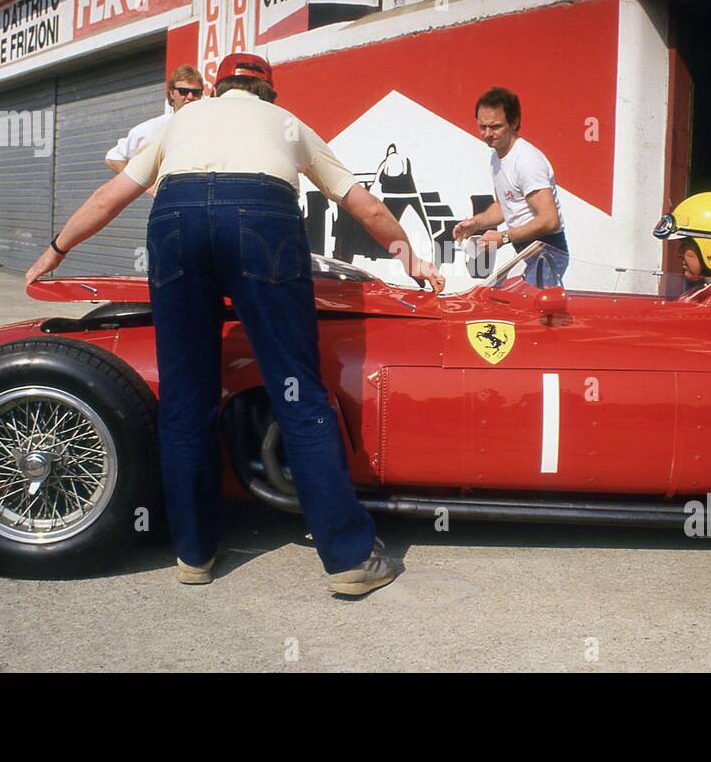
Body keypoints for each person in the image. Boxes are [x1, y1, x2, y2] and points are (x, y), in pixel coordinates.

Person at [26, 52, 445, 594]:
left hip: (176, 219)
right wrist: (407, 253)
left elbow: (113, 196)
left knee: (184, 395)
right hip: (261, 215)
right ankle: (348, 559)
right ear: (268, 92)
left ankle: (194, 554)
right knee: (298, 391)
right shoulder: (287, 123)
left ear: (217, 89)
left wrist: (57, 250)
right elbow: (358, 200)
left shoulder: (182, 121)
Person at [452, 87, 569, 287]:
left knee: (528, 315)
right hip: (529, 252)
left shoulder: (526, 161)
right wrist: (476, 223)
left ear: (514, 123)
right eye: (482, 126)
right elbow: (504, 206)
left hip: (547, 253)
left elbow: (550, 221)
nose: (487, 134)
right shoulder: (497, 156)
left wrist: (504, 237)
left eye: (495, 126)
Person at [103, 65, 210, 192]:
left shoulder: (209, 126)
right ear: (171, 93)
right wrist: (151, 189)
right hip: (171, 203)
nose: (190, 97)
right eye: (183, 91)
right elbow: (114, 157)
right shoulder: (155, 128)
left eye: (196, 92)